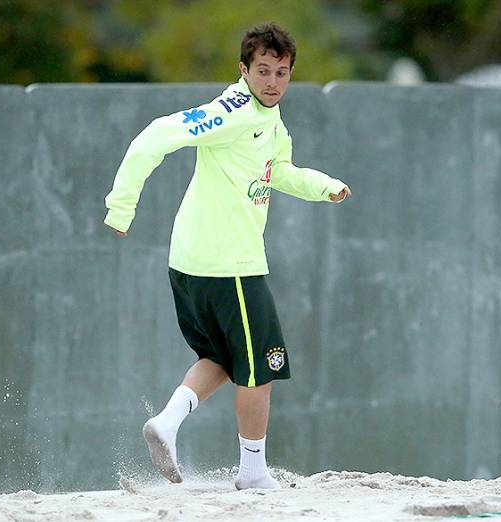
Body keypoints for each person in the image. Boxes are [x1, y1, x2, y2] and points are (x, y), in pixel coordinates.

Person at [104, 22, 351, 490]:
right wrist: (122, 205)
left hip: (196, 261)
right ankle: (254, 473)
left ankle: (168, 422)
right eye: (263, 71)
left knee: (221, 355)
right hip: (228, 263)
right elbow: (157, 134)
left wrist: (323, 187)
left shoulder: (267, 118)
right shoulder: (235, 110)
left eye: (281, 72)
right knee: (262, 364)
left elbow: (277, 170)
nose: (272, 81)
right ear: (244, 69)